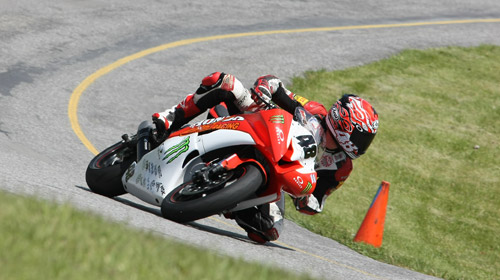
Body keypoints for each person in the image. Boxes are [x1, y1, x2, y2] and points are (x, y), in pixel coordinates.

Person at [152, 72, 379, 243]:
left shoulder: (341, 167)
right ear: (344, 122)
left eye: (366, 140)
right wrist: (264, 91)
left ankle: (225, 199)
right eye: (360, 136)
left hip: (276, 174)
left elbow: (317, 202)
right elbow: (273, 83)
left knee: (268, 230)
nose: (361, 145)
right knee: (226, 83)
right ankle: (171, 119)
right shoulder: (314, 110)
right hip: (258, 125)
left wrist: (304, 197)